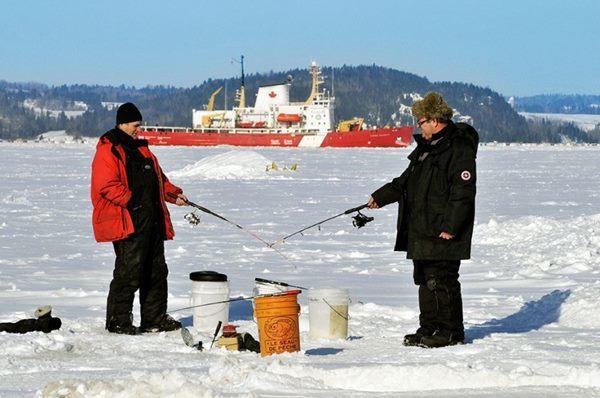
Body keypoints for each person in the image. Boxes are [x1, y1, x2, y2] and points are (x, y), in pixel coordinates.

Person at [367, 92, 478, 348]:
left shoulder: (458, 148)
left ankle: (450, 332)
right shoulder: (426, 149)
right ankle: (430, 327)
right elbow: (404, 183)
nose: (419, 126)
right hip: (422, 228)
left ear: (435, 120)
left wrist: (451, 227)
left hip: (443, 230)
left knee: (442, 280)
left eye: (421, 121)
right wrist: (379, 197)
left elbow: (463, 194)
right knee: (424, 281)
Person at [91, 102, 188, 335]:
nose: (138, 129)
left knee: (156, 271)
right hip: (128, 220)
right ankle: (118, 322)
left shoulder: (143, 149)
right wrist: (133, 202)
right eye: (135, 125)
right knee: (128, 273)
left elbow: (158, 180)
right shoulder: (108, 149)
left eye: (139, 125)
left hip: (151, 220)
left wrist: (174, 195)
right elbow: (105, 185)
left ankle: (154, 319)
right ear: (122, 124)